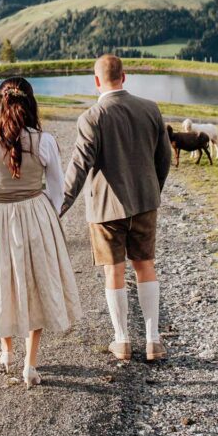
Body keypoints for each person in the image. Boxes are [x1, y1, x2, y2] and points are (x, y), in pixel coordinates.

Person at [0, 77, 81, 388]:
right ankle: (30, 364)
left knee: (3, 281)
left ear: (0, 104)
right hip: (37, 214)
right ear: (31, 102)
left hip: (0, 217)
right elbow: (57, 190)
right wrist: (49, 216)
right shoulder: (45, 141)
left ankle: (7, 351)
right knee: (36, 283)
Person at [61, 55, 172, 362]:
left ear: (97, 81)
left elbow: (78, 168)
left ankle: (122, 341)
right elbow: (164, 159)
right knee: (145, 265)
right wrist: (152, 191)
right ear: (125, 77)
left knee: (115, 271)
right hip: (145, 202)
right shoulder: (150, 109)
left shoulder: (92, 117)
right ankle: (153, 341)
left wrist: (57, 207)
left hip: (106, 209)